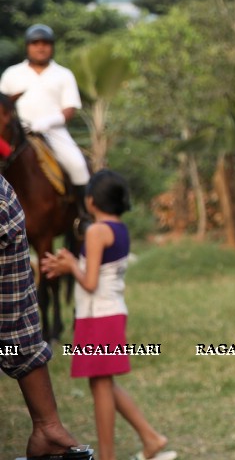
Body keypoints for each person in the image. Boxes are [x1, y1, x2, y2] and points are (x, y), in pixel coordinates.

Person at [40, 171, 175, 460]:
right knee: (102, 384)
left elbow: (89, 282)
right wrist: (69, 263)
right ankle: (150, 438)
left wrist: (70, 268)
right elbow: (99, 272)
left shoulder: (95, 231)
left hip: (99, 317)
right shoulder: (118, 228)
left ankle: (108, 457)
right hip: (108, 313)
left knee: (101, 385)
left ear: (91, 201)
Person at [2, 176, 93, 460]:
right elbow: (14, 320)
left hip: (47, 131)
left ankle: (83, 212)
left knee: (76, 165)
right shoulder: (4, 195)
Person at [0, 25, 90, 202]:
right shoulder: (12, 73)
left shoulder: (63, 74)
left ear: (52, 47)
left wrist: (49, 122)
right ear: (27, 46)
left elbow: (70, 108)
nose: (40, 47)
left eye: (45, 43)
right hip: (19, 132)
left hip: (53, 131)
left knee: (78, 165)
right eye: (35, 43)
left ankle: (83, 215)